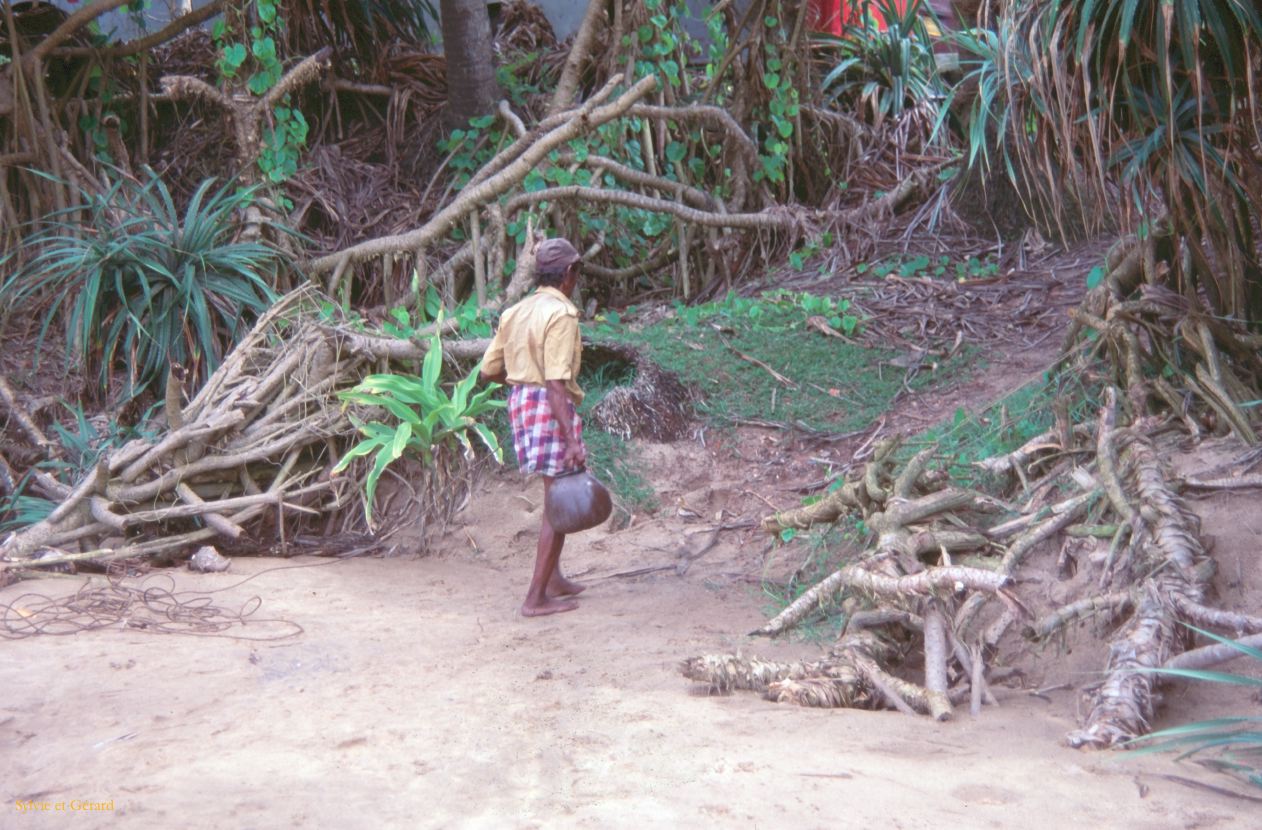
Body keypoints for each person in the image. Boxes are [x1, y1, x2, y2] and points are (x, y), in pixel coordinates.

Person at [481, 237, 589, 617]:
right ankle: (535, 598)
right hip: (549, 404)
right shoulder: (561, 314)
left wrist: (522, 386)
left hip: (522, 404)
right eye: (577, 270)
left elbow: (489, 370)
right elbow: (557, 383)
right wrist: (572, 440)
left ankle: (554, 578)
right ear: (569, 274)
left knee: (552, 497)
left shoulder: (515, 312)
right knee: (557, 504)